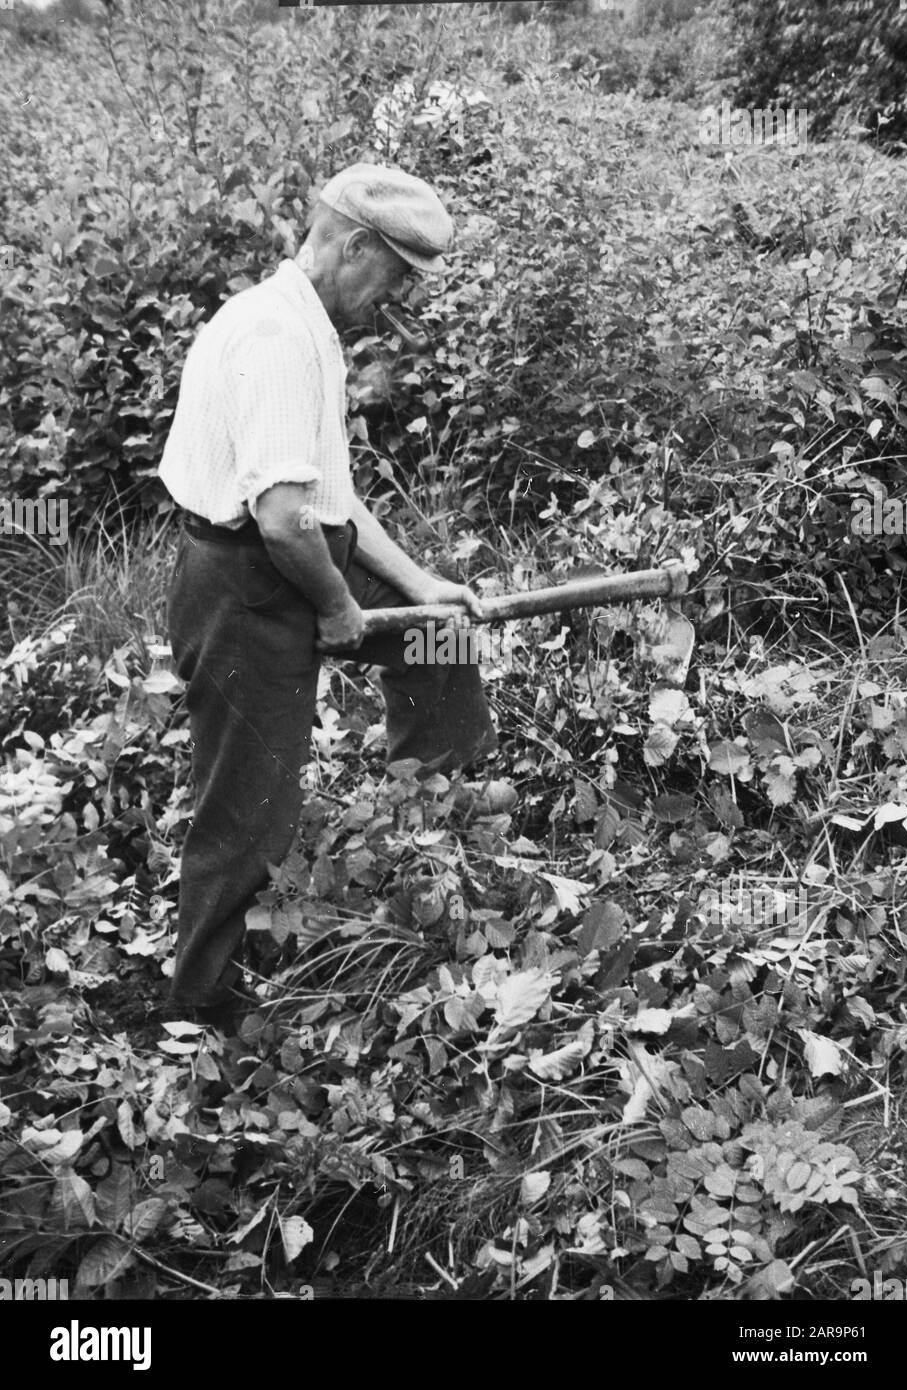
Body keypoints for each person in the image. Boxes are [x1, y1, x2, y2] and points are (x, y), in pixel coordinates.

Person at [158, 163, 497, 1031]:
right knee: (248, 810)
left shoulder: (307, 324)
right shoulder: (273, 340)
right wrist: (339, 612)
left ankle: (422, 816)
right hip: (245, 586)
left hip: (308, 552)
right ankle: (203, 1002)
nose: (395, 299)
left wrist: (416, 586)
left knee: (441, 638)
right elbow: (279, 519)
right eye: (393, 276)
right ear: (353, 247)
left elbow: (324, 495)